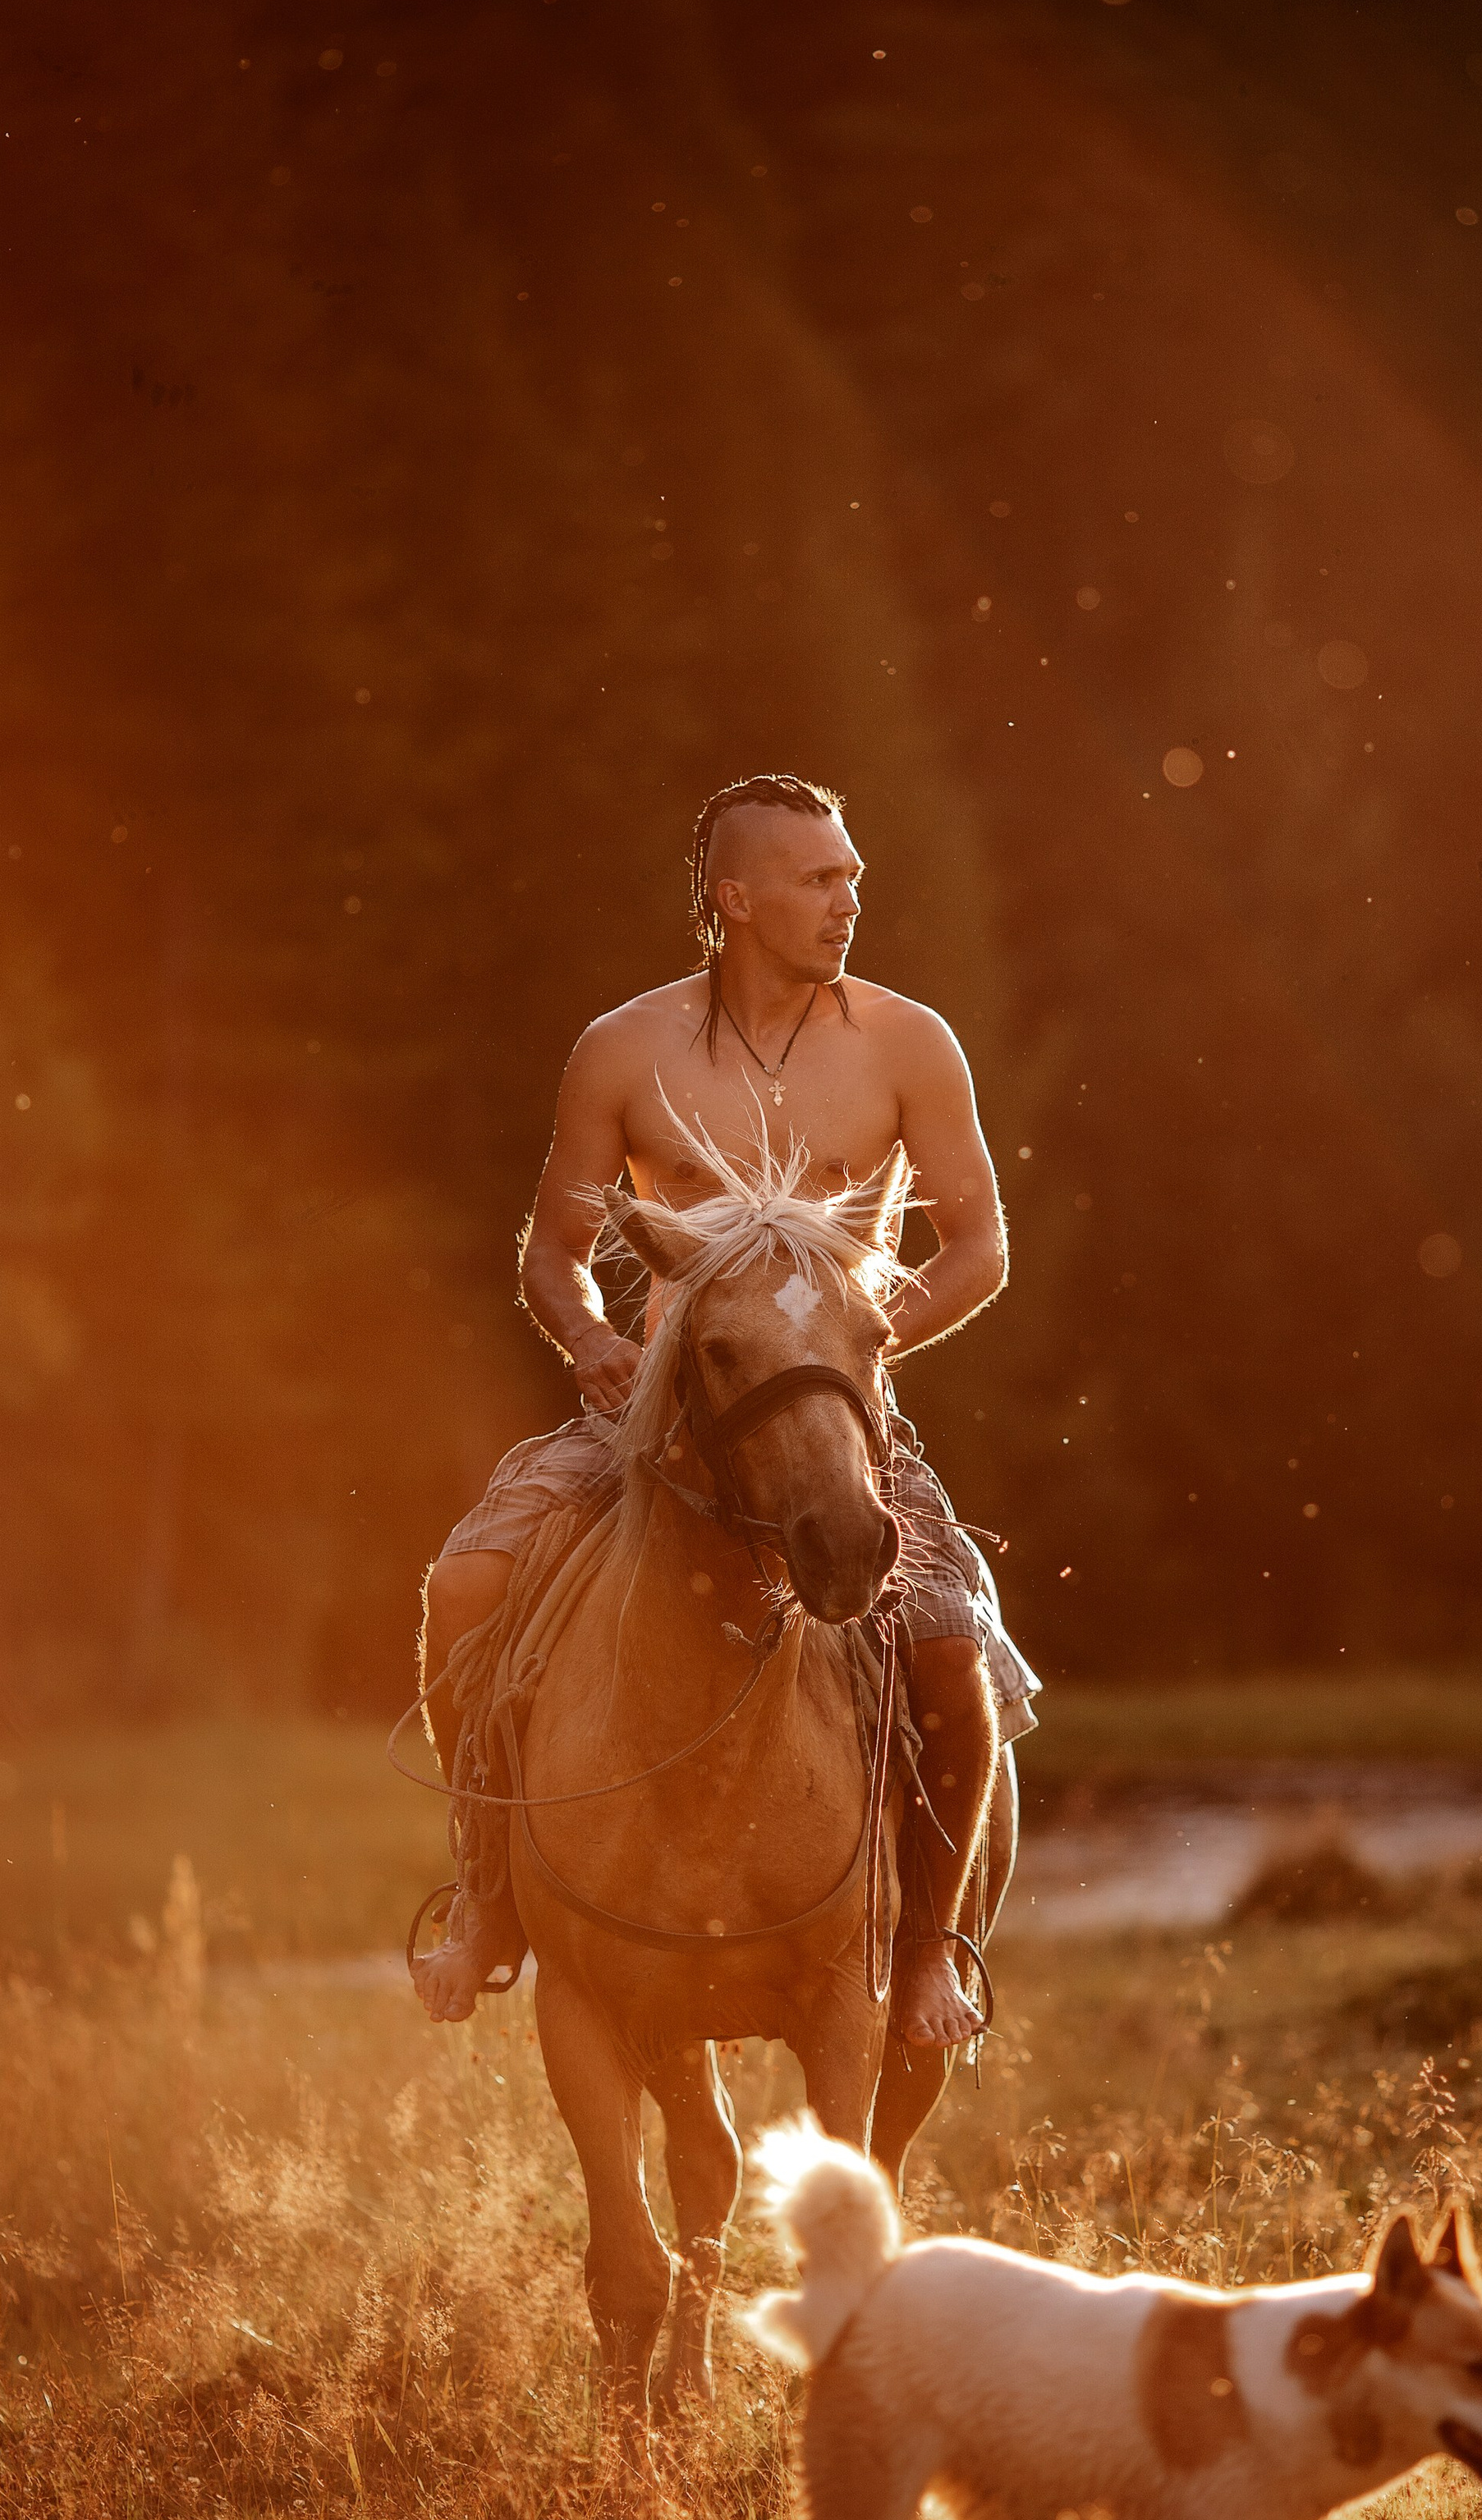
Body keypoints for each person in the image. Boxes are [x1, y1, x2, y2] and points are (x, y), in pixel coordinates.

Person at [415, 773, 1038, 2050]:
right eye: (821, 878)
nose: (850, 899)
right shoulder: (624, 1049)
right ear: (734, 896)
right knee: (465, 1587)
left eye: (853, 874)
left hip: (835, 1423)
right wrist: (589, 1339)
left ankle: (929, 1953)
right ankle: (490, 1900)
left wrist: (846, 1350)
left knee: (948, 1653)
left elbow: (980, 1246)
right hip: (654, 1413)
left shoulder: (909, 1044)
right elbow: (555, 1252)